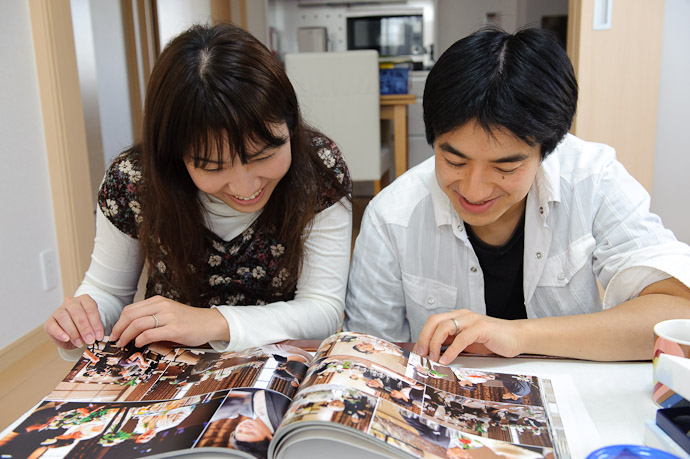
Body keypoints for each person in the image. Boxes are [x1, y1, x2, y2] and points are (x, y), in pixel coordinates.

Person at [344, 26, 690, 363]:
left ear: (548, 149)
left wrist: (517, 335)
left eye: (505, 168)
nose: (473, 189)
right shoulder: (392, 216)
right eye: (453, 161)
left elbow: (678, 315)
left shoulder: (592, 178)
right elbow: (366, 355)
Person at [43, 23, 352, 355]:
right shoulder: (134, 180)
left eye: (264, 156)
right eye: (213, 166)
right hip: (172, 374)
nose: (245, 186)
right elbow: (108, 293)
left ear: (290, 125)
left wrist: (211, 322)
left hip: (283, 369)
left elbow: (322, 308)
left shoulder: (318, 167)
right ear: (175, 156)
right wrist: (80, 319)